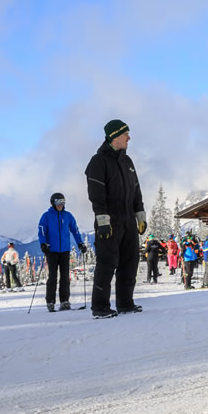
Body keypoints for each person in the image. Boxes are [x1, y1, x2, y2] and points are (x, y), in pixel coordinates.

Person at [85, 119, 147, 319]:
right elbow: (96, 195)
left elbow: (136, 191)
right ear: (115, 136)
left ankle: (125, 303)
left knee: (130, 262)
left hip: (128, 220)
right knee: (107, 262)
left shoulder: (127, 162)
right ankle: (100, 306)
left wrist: (140, 215)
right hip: (110, 223)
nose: (129, 138)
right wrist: (103, 221)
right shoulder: (98, 161)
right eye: (126, 134)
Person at [37, 193, 87, 311]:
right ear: (53, 203)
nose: (60, 204)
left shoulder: (68, 216)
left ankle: (65, 301)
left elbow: (75, 230)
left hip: (65, 250)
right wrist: (43, 244)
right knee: (52, 277)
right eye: (58, 202)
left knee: (65, 277)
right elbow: (42, 231)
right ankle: (50, 301)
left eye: (62, 202)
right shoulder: (47, 216)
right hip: (52, 251)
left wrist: (80, 243)